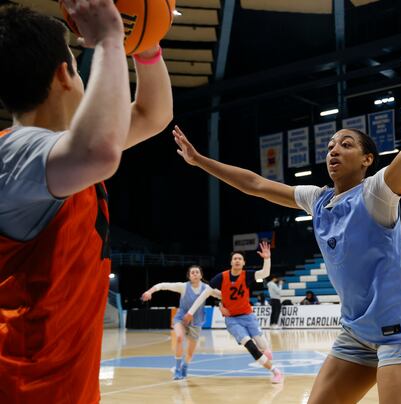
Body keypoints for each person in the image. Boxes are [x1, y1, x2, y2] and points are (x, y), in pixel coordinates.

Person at [173, 13, 401, 403]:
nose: (334, 149)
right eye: (331, 145)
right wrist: (201, 162)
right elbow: (256, 184)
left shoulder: (377, 191)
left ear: (367, 160)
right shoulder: (318, 199)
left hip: (400, 328)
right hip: (356, 331)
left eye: (346, 144)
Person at [0, 2, 172, 402]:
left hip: (65, 389)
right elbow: (101, 151)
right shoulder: (15, 154)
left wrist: (145, 45)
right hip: (26, 391)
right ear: (65, 76)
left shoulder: (60, 155)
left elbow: (153, 113)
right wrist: (111, 39)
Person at [184, 242, 284, 384]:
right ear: (231, 262)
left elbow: (265, 273)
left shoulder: (247, 275)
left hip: (248, 316)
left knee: (262, 345)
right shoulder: (221, 277)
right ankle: (275, 371)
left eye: (240, 259)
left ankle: (266, 350)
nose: (237, 260)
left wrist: (267, 259)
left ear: (243, 263)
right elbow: (205, 294)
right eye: (235, 258)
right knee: (250, 346)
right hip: (232, 320)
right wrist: (190, 312)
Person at [142, 265, 217, 380]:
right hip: (181, 319)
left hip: (196, 322)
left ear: (201, 275)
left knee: (190, 352)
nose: (195, 274)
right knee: (179, 338)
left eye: (197, 272)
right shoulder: (183, 287)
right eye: (193, 272)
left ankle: (185, 366)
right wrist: (149, 291)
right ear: (189, 276)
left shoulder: (207, 288)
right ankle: (177, 369)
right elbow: (163, 285)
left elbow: (221, 295)